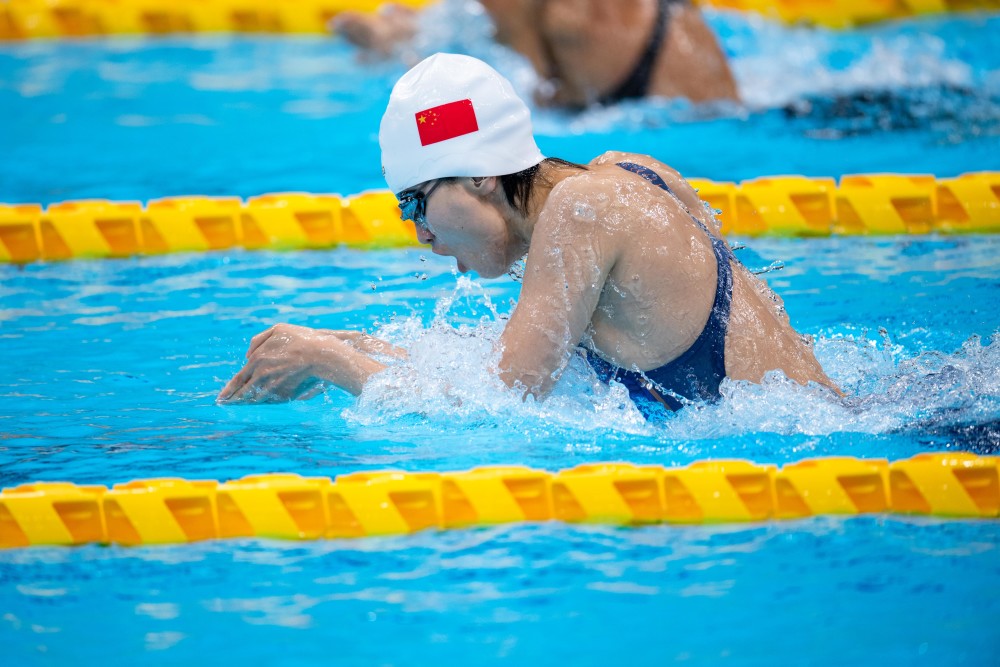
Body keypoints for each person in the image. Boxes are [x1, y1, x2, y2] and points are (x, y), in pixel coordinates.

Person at [217, 53, 836, 416]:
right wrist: (337, 340)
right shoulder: (625, 174)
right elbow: (496, 364)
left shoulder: (579, 215)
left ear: (481, 176)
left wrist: (326, 361)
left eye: (416, 205)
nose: (423, 237)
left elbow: (500, 406)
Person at [332, 0, 739, 107]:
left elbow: (539, 94)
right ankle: (397, 32)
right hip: (672, 33)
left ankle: (396, 34)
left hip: (647, 71)